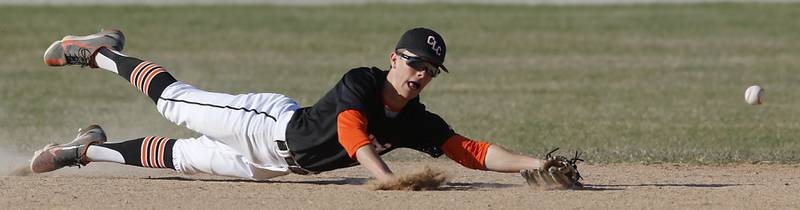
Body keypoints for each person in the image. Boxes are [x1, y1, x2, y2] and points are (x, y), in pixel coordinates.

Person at [30, 28, 567, 186]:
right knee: (175, 102)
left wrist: (534, 165)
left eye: (429, 71)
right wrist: (383, 176)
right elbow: (353, 131)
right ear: (393, 59)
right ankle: (99, 52)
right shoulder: (363, 81)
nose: (420, 75)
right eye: (413, 64)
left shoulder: (418, 119)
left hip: (272, 167)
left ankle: (85, 150)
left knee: (177, 159)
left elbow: (468, 150)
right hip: (267, 125)